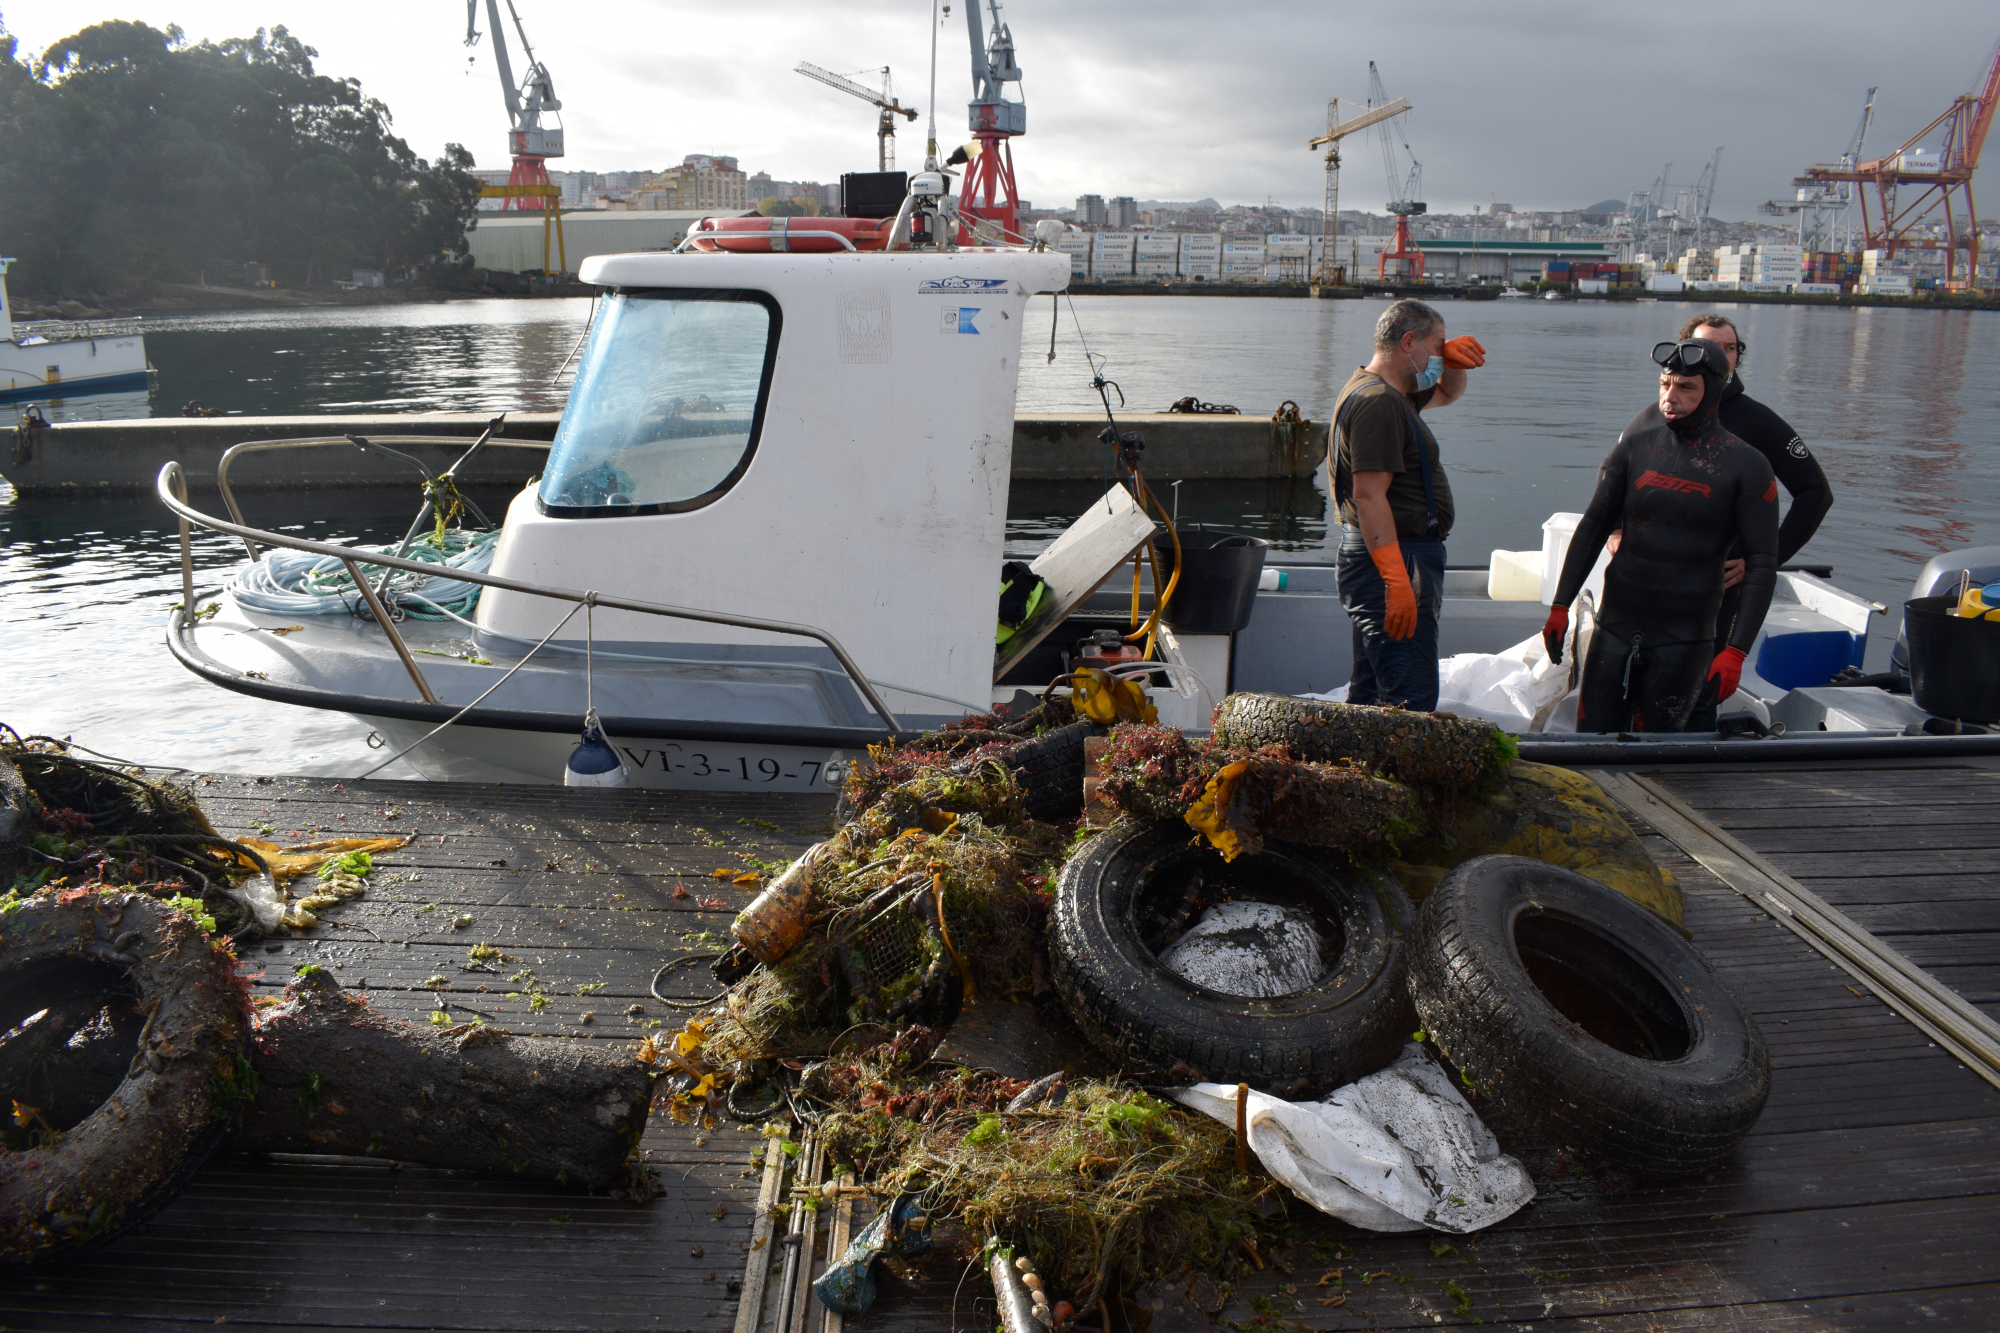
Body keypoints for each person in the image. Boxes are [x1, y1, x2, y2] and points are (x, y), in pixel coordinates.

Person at [1541, 338, 1779, 733]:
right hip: (1614, 627)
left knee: (1658, 759)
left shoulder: (1747, 466)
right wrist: (1560, 605)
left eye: (1686, 388)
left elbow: (1762, 564)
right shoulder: (1635, 448)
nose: (1670, 397)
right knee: (1591, 745)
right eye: (1665, 384)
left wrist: (1736, 651)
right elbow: (1594, 527)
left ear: (1714, 391)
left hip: (1683, 639)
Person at [1330, 299, 1486, 710]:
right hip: (1394, 559)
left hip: (1394, 557)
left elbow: (1449, 392)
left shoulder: (1392, 394)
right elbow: (1368, 495)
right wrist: (1397, 582)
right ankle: (1396, 774)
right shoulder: (1378, 403)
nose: (1440, 353)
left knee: (1370, 692)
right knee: (1408, 697)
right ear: (1409, 342)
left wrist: (1450, 359)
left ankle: (1358, 771)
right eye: (1437, 346)